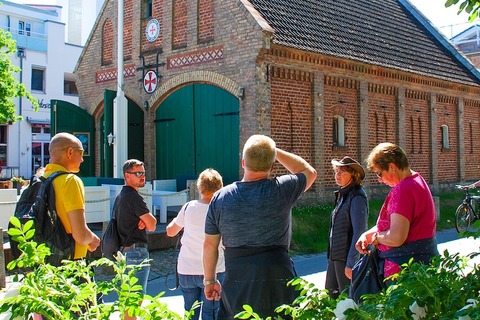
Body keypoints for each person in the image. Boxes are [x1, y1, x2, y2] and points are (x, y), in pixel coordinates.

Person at [203, 134, 317, 319]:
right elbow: (308, 171)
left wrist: (209, 280)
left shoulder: (221, 197)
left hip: (238, 278)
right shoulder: (282, 189)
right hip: (279, 275)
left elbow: (209, 245)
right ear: (272, 166)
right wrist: (271, 150)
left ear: (243, 163)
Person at [355, 142, 438, 282]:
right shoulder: (417, 180)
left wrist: (377, 237)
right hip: (423, 263)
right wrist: (367, 235)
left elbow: (396, 237)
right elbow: (396, 224)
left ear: (392, 167)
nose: (379, 180)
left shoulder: (402, 190)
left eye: (379, 173)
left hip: (404, 270)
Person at [166, 168, 226, 320]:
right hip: (214, 270)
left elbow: (170, 231)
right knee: (211, 312)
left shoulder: (188, 207)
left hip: (187, 269)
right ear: (220, 187)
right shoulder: (221, 210)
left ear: (199, 187)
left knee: (190, 311)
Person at [113, 159, 157, 320]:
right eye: (138, 173)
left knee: (127, 302)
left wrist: (143, 221)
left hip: (124, 253)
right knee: (134, 302)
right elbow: (152, 224)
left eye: (143, 173)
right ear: (127, 176)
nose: (142, 176)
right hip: (135, 253)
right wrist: (146, 221)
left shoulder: (121, 195)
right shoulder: (133, 197)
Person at [45, 132, 100, 259]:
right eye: (81, 152)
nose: (82, 159)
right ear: (70, 152)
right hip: (69, 259)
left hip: (45, 258)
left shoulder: (40, 179)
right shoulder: (70, 181)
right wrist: (93, 239)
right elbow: (80, 235)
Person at [325, 156, 368, 299]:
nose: (338, 175)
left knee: (348, 301)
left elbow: (359, 232)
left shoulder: (357, 197)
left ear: (353, 175)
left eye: (342, 173)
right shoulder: (343, 195)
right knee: (331, 299)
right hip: (335, 257)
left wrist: (351, 263)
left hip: (346, 259)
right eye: (336, 171)